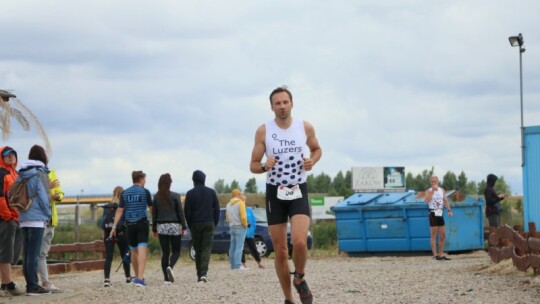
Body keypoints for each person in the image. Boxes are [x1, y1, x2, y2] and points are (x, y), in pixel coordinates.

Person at [250, 86, 322, 304]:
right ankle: (289, 299)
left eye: (285, 102)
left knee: (300, 242)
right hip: (275, 192)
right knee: (280, 252)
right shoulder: (264, 131)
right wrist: (264, 166)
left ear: (292, 103)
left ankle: (299, 278)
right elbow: (253, 165)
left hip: (298, 188)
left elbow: (317, 149)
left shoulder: (304, 127)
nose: (282, 106)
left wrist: (312, 160)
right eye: (277, 103)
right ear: (272, 106)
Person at [17, 145, 52, 295]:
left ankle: (29, 284)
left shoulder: (22, 173)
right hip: (37, 218)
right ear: (43, 157)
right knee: (34, 254)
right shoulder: (40, 174)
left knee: (27, 254)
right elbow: (44, 197)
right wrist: (48, 213)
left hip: (23, 216)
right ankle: (33, 286)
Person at [109, 171, 152, 287]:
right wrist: (155, 222)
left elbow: (120, 210)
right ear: (141, 179)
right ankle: (139, 279)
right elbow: (151, 208)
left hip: (130, 225)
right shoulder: (145, 192)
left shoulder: (125, 193)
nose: (145, 181)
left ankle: (137, 276)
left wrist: (114, 227)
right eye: (145, 179)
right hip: (142, 223)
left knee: (134, 251)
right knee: (142, 249)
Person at [184, 170, 220, 283]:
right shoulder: (211, 192)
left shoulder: (190, 193)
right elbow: (217, 209)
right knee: (206, 248)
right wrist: (215, 223)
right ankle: (203, 273)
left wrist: (190, 224)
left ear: (193, 180)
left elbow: (187, 211)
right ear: (204, 179)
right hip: (209, 223)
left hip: (195, 224)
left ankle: (199, 274)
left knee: (198, 248)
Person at [152, 173, 187, 285]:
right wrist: (184, 227)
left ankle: (166, 280)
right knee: (176, 251)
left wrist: (154, 229)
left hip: (162, 227)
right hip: (175, 226)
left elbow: (154, 215)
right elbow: (180, 213)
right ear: (169, 183)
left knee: (165, 253)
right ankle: (170, 266)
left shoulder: (156, 197)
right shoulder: (176, 196)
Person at [0, 146, 25, 296]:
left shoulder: (15, 173)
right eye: (7, 155)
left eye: (13, 155)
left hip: (17, 218)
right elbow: (0, 196)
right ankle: (8, 284)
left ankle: (4, 284)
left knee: (12, 253)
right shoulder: (1, 173)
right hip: (6, 219)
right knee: (5, 252)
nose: (11, 157)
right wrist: (7, 215)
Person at [37, 168, 64, 293]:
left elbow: (60, 193)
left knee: (42, 254)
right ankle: (36, 283)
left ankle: (45, 282)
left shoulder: (52, 173)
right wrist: (49, 191)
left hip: (51, 220)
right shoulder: (34, 173)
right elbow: (36, 194)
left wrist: (58, 196)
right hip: (39, 219)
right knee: (35, 253)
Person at [101, 186, 131, 287]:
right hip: (122, 233)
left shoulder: (107, 207)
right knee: (124, 255)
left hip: (108, 234)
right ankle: (128, 278)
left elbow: (102, 224)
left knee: (108, 257)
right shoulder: (123, 206)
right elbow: (127, 221)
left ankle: (106, 280)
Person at [424, 175, 453, 261]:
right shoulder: (428, 191)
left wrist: (449, 210)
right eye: (432, 182)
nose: (433, 183)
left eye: (435, 181)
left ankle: (441, 254)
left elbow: (445, 200)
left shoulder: (442, 190)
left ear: (438, 181)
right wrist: (432, 191)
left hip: (440, 212)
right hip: (432, 212)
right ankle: (435, 255)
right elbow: (427, 201)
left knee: (443, 235)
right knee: (433, 234)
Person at [225, 189, 248, 270]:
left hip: (232, 227)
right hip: (240, 226)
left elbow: (227, 219)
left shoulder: (228, 204)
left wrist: (231, 223)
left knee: (232, 247)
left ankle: (233, 265)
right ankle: (238, 265)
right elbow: (243, 216)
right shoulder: (240, 203)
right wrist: (245, 224)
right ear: (238, 194)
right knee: (239, 247)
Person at [241, 203, 265, 269]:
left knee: (253, 248)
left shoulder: (249, 210)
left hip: (249, 233)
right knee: (241, 249)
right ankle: (243, 263)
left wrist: (253, 229)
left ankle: (259, 263)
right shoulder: (239, 210)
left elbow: (253, 220)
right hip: (241, 232)